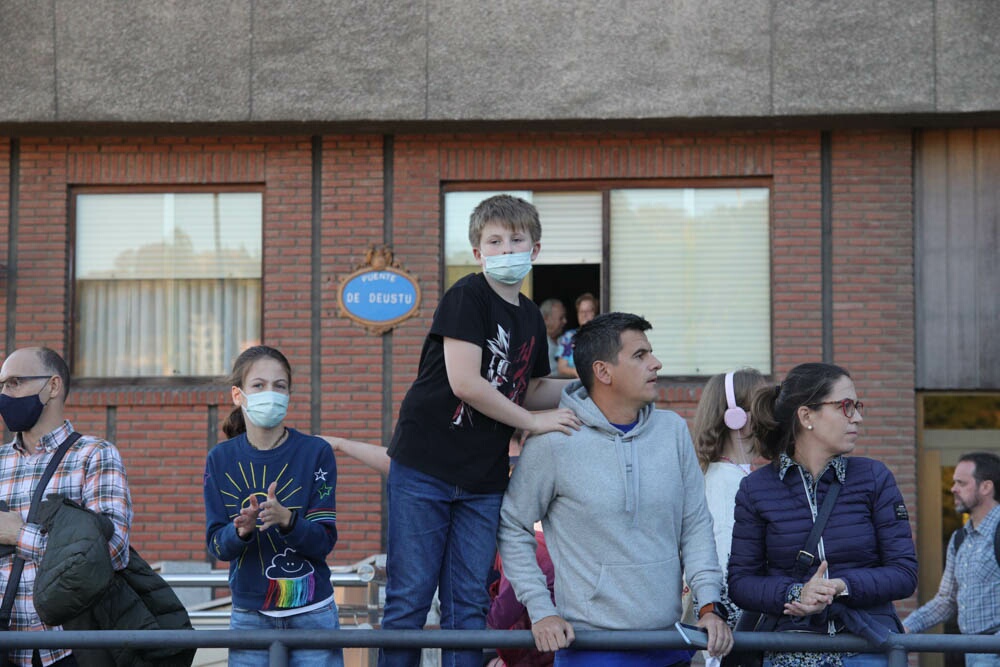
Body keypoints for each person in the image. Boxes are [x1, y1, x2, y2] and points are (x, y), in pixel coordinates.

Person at [380, 194, 579, 667]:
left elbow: (527, 388)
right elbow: (466, 382)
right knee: (409, 600)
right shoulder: (467, 296)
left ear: (534, 249)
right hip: (425, 466)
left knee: (469, 604)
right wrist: (532, 422)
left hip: (483, 478)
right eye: (494, 240)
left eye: (516, 239)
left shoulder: (531, 316)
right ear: (477, 252)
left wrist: (589, 390)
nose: (505, 248)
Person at [498, 312, 733, 666]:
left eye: (651, 353)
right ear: (603, 372)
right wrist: (541, 609)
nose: (656, 363)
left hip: (669, 645)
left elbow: (696, 526)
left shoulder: (672, 431)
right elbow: (513, 526)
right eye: (640, 355)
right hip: (590, 650)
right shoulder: (554, 442)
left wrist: (710, 605)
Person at [727, 362, 918, 667]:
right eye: (845, 406)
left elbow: (904, 573)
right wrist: (796, 593)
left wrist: (839, 586)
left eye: (857, 406)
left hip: (865, 647)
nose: (857, 417)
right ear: (806, 416)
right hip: (790, 651)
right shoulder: (756, 489)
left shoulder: (874, 477)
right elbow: (741, 582)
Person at [203, 345, 344, 667]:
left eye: (279, 386)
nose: (271, 393)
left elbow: (324, 541)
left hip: (313, 613)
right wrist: (240, 531)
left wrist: (287, 520)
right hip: (249, 614)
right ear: (238, 395)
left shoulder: (316, 452)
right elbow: (216, 546)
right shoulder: (220, 459)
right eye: (259, 385)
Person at [0, 346, 132, 667]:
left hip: (69, 649)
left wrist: (20, 536)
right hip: (5, 645)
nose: (5, 393)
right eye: (2, 385)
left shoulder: (95, 455)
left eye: (15, 382)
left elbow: (112, 552)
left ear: (53, 387)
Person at [691, 368, 765, 666]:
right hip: (730, 649)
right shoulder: (727, 485)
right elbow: (721, 567)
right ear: (737, 417)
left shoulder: (728, 478)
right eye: (764, 406)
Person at [903, 451, 1000, 666]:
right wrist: (904, 628)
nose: (953, 489)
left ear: (986, 487)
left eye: (961, 483)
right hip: (972, 652)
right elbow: (946, 601)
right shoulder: (959, 539)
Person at [555, 293, 598, 378]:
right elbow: (561, 368)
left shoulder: (602, 336)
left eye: (588, 311)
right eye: (581, 311)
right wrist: (575, 371)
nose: (584, 315)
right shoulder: (569, 337)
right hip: (574, 384)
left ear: (595, 313)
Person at [540, 298, 568, 376]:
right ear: (546, 319)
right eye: (561, 318)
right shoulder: (535, 343)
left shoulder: (566, 340)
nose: (565, 321)